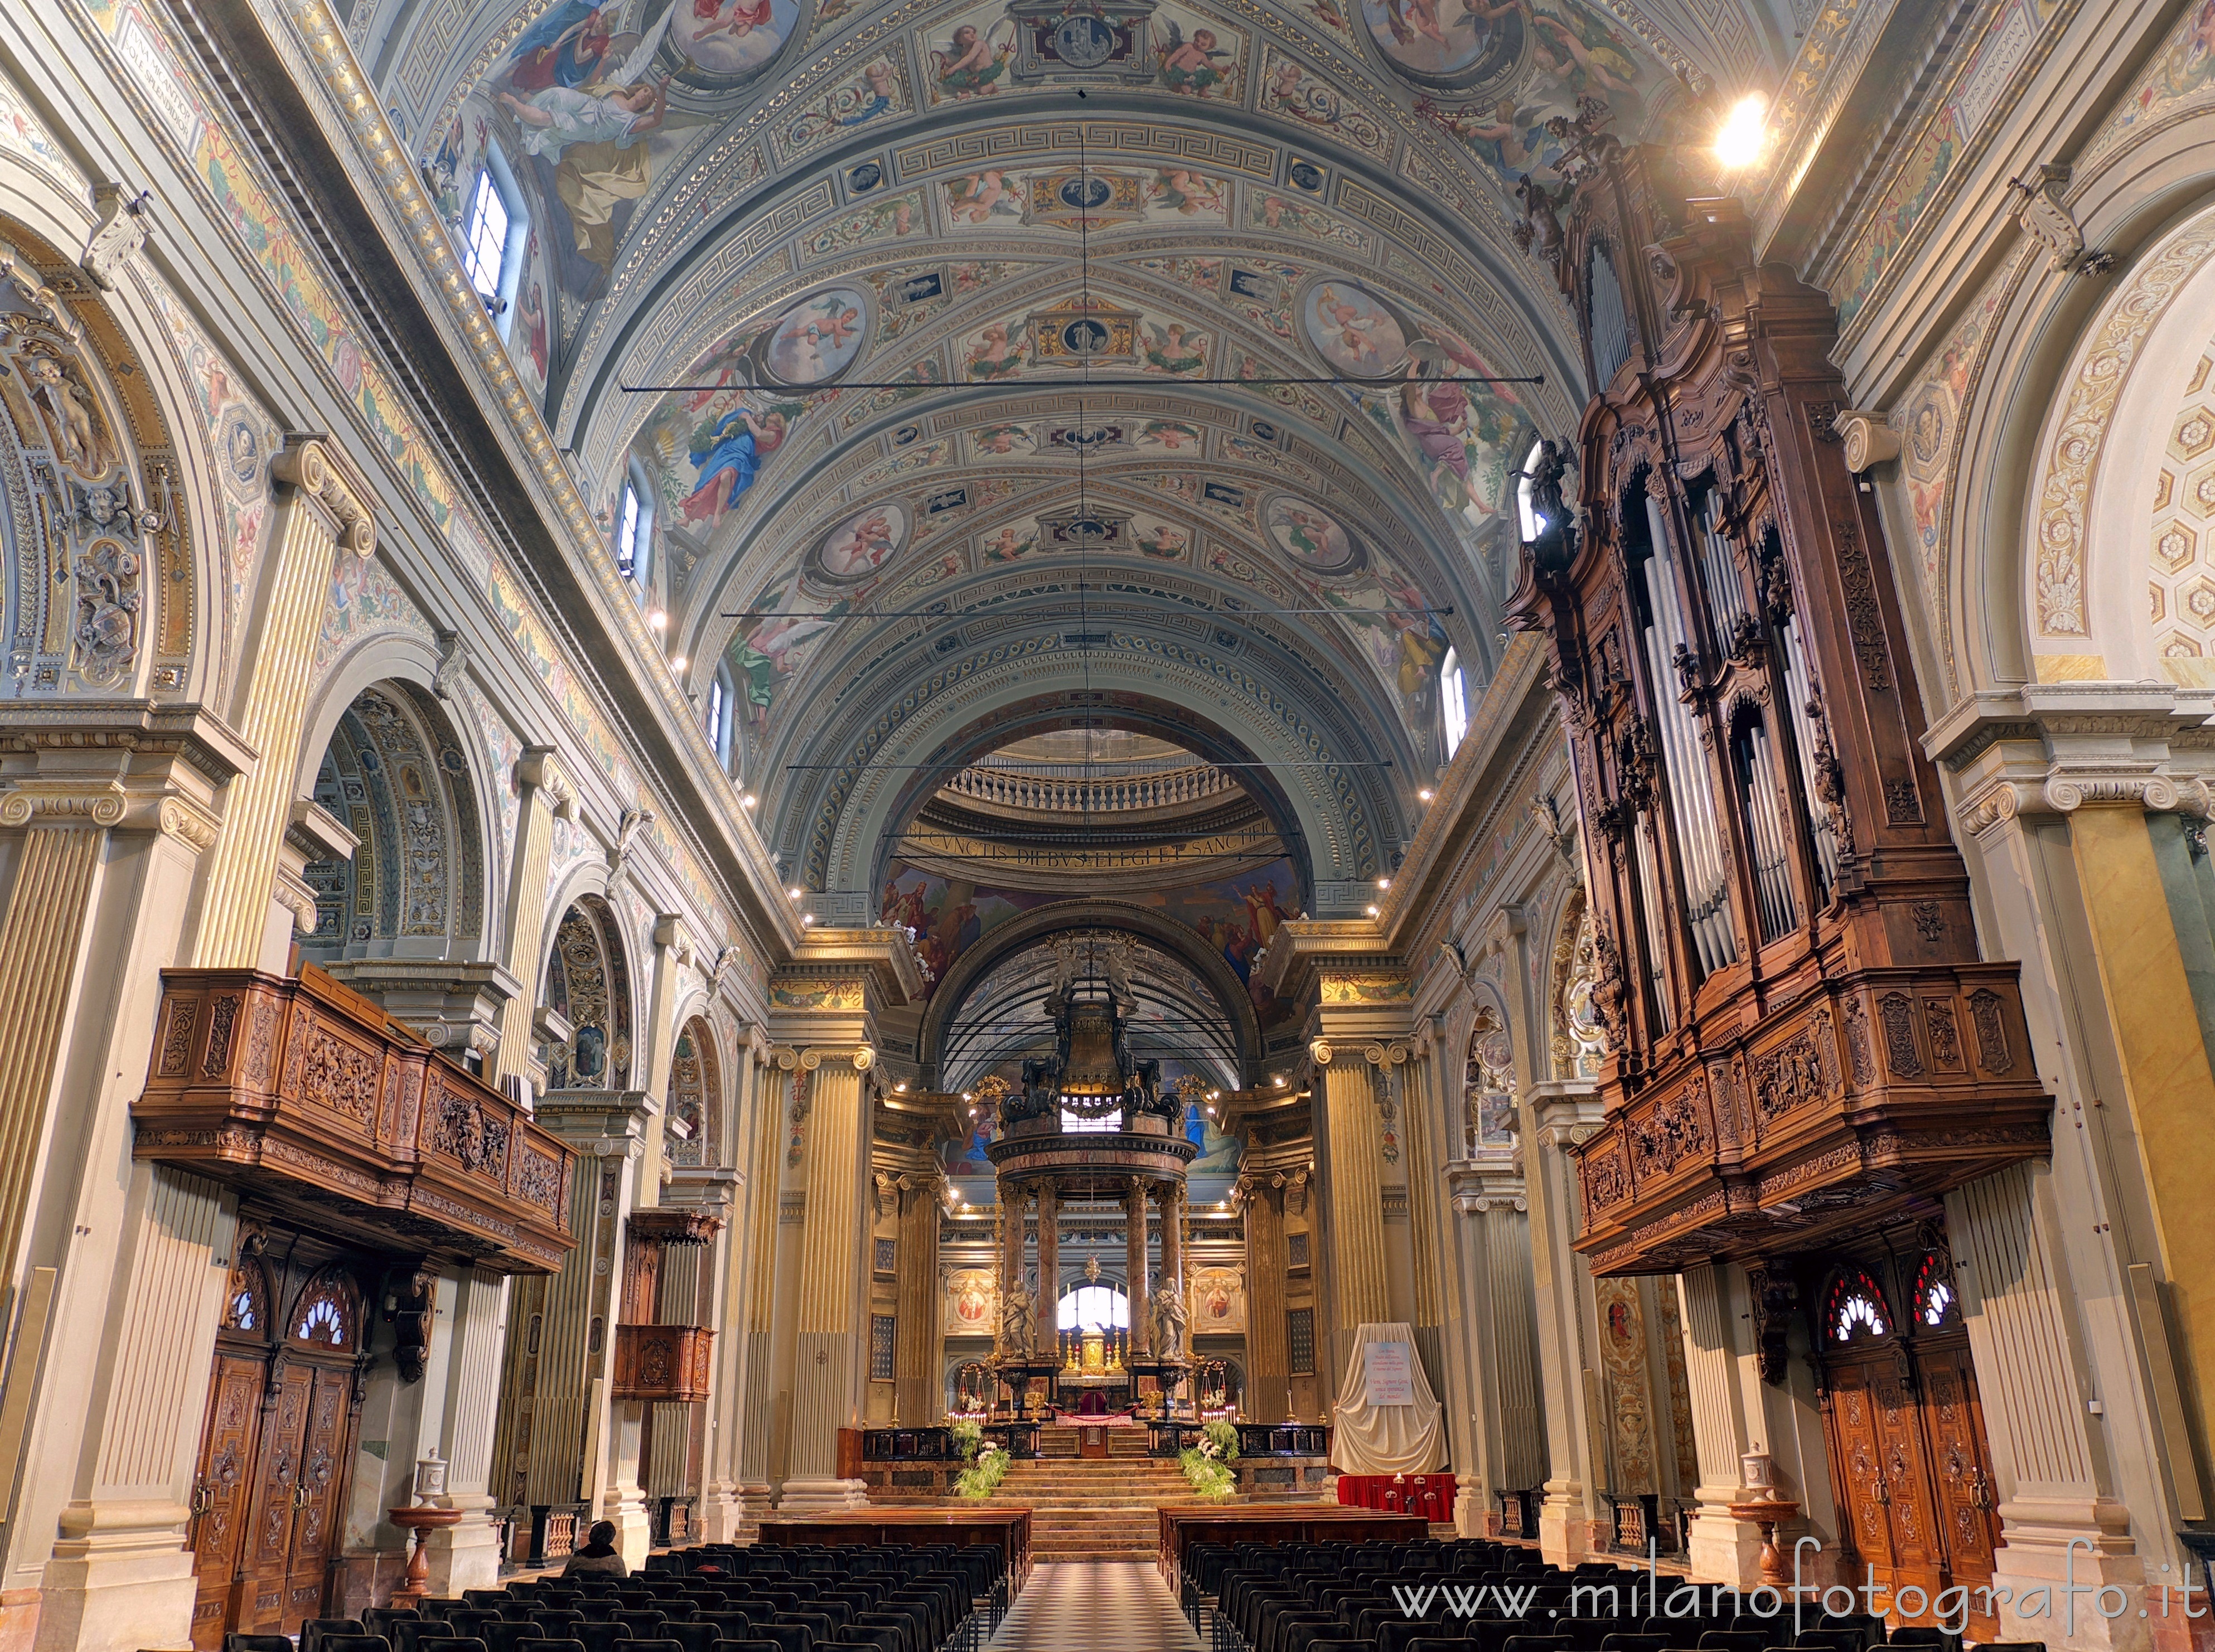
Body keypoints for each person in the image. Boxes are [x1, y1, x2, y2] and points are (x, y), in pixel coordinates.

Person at [562, 1520, 626, 1576]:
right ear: (611, 1539)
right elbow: (622, 1586)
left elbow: (565, 1582)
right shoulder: (617, 1562)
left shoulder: (576, 1560)